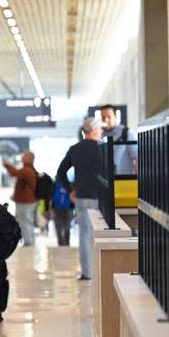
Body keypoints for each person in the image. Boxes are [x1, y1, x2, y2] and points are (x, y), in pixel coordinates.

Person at [56, 116, 104, 280]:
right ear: (93, 130)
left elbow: (60, 172)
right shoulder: (102, 148)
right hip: (100, 196)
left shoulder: (75, 149)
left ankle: (87, 272)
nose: (101, 131)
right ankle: (101, 270)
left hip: (82, 196)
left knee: (84, 233)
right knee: (101, 233)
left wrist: (70, 190)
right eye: (99, 128)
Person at [3, 152, 38, 246]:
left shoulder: (27, 170)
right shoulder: (29, 170)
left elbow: (14, 173)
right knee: (27, 221)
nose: (22, 157)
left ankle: (28, 242)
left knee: (24, 221)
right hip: (28, 200)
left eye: (24, 156)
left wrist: (7, 165)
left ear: (29, 159)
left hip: (26, 201)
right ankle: (30, 241)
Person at [99, 105, 138, 175]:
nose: (106, 120)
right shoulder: (98, 135)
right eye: (103, 117)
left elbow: (137, 158)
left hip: (123, 181)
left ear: (115, 117)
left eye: (109, 117)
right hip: (104, 182)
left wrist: (139, 181)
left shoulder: (126, 133)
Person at [51, 179, 74, 247]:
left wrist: (50, 208)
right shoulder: (70, 185)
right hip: (68, 209)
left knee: (58, 227)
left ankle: (60, 243)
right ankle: (66, 243)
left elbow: (50, 197)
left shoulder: (54, 185)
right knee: (67, 227)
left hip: (57, 209)